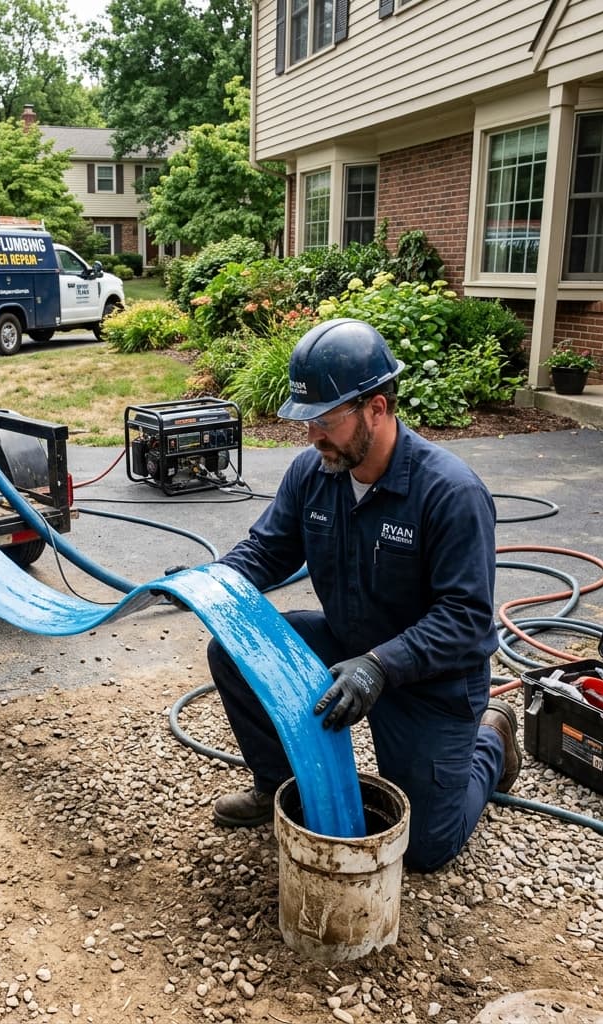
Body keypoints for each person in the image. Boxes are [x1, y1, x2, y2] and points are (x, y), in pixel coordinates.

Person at [207, 317, 522, 873]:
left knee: (424, 849)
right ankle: (282, 788)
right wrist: (212, 585)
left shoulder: (449, 493)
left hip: (430, 681)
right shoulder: (315, 472)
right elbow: (268, 549)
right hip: (347, 643)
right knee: (235, 646)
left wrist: (380, 667)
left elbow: (466, 618)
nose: (312, 437)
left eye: (326, 421)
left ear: (377, 408)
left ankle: (491, 740)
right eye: (307, 422)